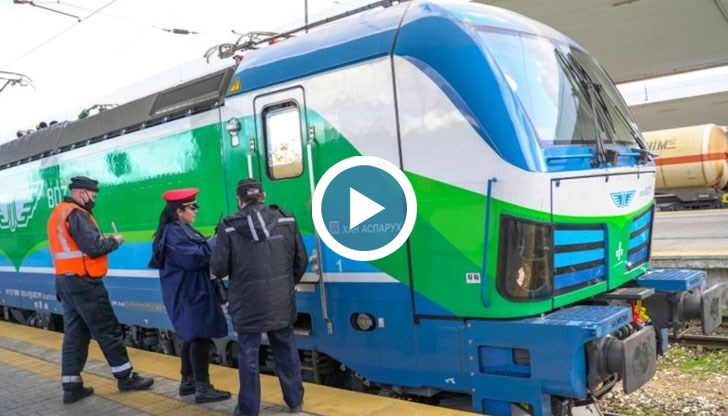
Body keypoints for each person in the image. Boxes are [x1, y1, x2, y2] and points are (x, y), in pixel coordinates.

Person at [47, 176, 154, 404]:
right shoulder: (77, 214)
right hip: (84, 283)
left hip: (65, 281)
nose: (93, 200)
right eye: (93, 196)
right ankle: (125, 378)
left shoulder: (59, 212)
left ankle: (71, 386)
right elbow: (94, 247)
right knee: (108, 330)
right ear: (82, 193)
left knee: (75, 334)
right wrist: (115, 240)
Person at [211, 179, 308, 416]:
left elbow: (219, 268)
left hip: (246, 303)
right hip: (281, 299)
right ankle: (294, 401)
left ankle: (248, 409)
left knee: (248, 355)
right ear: (262, 196)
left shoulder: (228, 227)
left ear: (240, 200)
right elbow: (301, 260)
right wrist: (285, 285)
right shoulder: (287, 219)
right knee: (286, 350)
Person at [148, 188, 231, 404]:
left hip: (189, 291)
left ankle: (187, 383)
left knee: (191, 336)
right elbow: (195, 258)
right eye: (192, 207)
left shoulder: (178, 229)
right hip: (190, 293)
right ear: (179, 211)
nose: (196, 210)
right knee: (199, 337)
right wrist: (217, 241)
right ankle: (202, 388)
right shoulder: (174, 232)